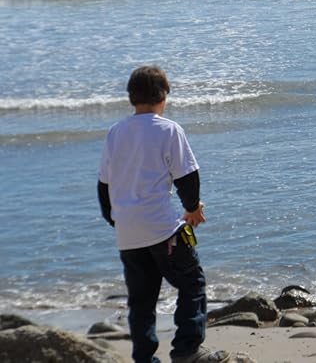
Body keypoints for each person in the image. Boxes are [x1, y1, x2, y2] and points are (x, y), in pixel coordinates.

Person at [97, 66, 230, 363]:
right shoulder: (168, 129)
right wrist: (192, 209)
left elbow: (104, 186)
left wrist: (116, 221)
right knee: (192, 283)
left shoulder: (115, 132)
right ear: (163, 96)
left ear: (132, 97)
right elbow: (188, 176)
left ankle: (144, 358)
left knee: (141, 302)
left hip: (128, 233)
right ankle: (187, 350)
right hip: (162, 229)